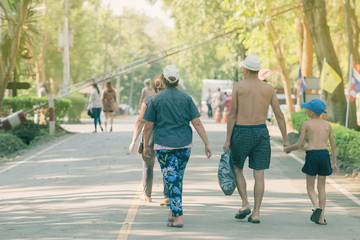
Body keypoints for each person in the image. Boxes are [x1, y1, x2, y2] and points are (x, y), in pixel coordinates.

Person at [143, 65, 212, 228]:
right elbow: (197, 122)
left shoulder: (155, 99)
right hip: (184, 145)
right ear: (178, 80)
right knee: (176, 179)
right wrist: (206, 143)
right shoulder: (186, 98)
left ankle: (178, 217)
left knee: (172, 180)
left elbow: (148, 126)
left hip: (164, 146)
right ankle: (172, 213)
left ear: (163, 79)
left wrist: (146, 145)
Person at [223, 54, 289, 224]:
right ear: (258, 69)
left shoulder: (239, 87)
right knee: (259, 173)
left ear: (245, 69)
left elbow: (232, 114)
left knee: (237, 168)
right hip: (261, 131)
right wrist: (286, 140)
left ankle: (245, 203)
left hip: (241, 131)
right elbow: (279, 115)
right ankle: (257, 212)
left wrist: (228, 139)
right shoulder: (268, 89)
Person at [284, 99, 337, 225]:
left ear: (312, 113)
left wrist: (288, 149)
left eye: (308, 109)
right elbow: (333, 146)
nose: (306, 111)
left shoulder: (306, 124)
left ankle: (316, 206)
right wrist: (333, 162)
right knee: (322, 187)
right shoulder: (327, 125)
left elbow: (299, 144)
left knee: (310, 187)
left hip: (312, 155)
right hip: (324, 154)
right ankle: (321, 217)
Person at [129, 76, 169, 206]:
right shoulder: (169, 101)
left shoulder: (148, 100)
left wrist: (134, 140)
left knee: (148, 166)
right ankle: (167, 196)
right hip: (166, 138)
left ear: (154, 86)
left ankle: (147, 195)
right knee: (167, 167)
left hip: (150, 138)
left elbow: (141, 121)